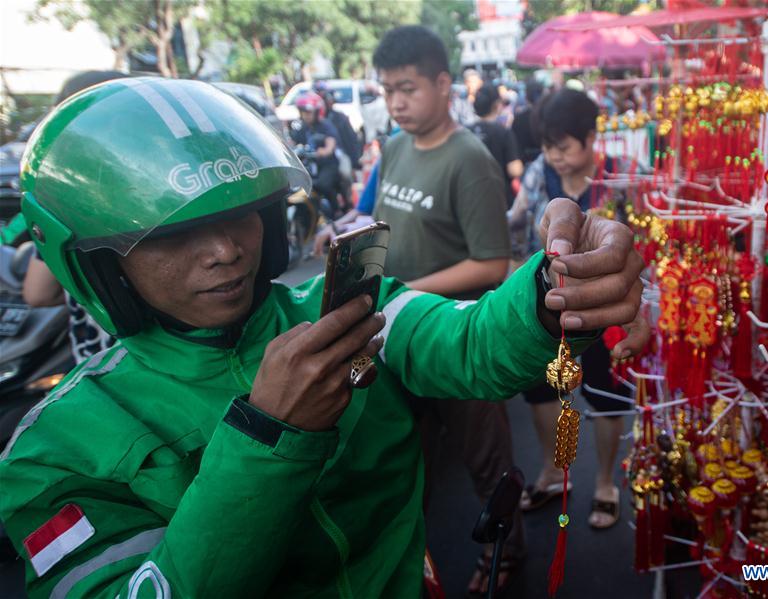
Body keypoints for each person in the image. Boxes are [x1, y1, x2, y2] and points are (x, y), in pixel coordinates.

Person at [0, 78, 645, 598]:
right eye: (169, 236)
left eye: (239, 215)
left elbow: (471, 340)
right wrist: (269, 438)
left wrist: (555, 284)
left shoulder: (347, 309)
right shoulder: (53, 453)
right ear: (95, 264)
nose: (225, 250)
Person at [372, 27, 523, 594]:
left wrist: (406, 288)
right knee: (405, 461)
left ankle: (507, 553)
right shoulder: (393, 147)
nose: (396, 103)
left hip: (461, 341)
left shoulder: (471, 160)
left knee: (487, 462)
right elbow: (390, 226)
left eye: (407, 88)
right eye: (387, 91)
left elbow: (492, 264)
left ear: (442, 84)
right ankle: (413, 559)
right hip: (396, 336)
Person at [510, 88, 648, 530]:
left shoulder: (624, 176)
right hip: (547, 310)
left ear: (591, 137)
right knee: (539, 390)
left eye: (563, 146)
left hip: (606, 313)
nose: (554, 157)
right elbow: (518, 227)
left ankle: (606, 482)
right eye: (548, 147)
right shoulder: (538, 174)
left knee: (608, 395)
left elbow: (646, 245)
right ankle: (553, 472)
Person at [22, 70, 130, 362]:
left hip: (97, 372)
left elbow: (38, 293)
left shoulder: (57, 202)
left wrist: (88, 298)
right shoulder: (155, 192)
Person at [467, 84, 523, 208]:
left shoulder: (465, 132)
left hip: (471, 199)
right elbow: (514, 169)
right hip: (500, 199)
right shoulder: (503, 132)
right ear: (496, 105)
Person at [290, 93, 342, 208]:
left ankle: (336, 210)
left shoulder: (325, 125)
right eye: (303, 112)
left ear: (317, 112)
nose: (306, 115)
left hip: (327, 164)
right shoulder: (301, 127)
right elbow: (292, 143)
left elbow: (330, 145)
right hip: (307, 165)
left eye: (308, 112)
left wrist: (323, 151)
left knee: (323, 185)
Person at [314, 83, 361, 170]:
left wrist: (354, 164)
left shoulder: (340, 118)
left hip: (335, 162)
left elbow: (350, 142)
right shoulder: (306, 123)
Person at [511, 78, 545, 166]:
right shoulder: (548, 115)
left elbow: (515, 144)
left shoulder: (519, 118)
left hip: (525, 162)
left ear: (526, 97)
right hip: (547, 161)